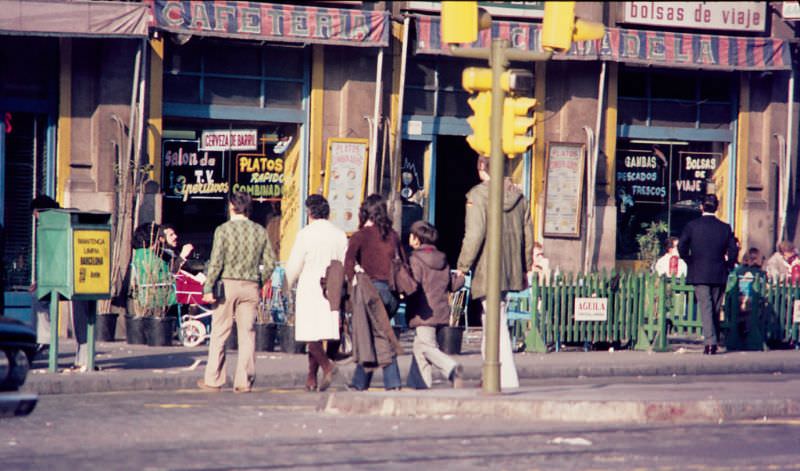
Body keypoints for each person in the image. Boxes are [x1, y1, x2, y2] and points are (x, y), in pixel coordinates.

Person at [456, 157, 533, 390]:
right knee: (495, 318)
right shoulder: (520, 197)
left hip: (488, 268)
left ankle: (504, 377)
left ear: (482, 168)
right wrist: (526, 266)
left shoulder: (478, 196)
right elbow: (528, 237)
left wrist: (462, 266)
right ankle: (490, 374)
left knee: (494, 323)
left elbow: (475, 234)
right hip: (511, 269)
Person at [199, 192, 276, 393]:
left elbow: (216, 262)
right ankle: (244, 381)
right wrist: (258, 281)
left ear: (231, 206)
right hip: (250, 286)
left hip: (227, 285)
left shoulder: (223, 230)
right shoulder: (259, 231)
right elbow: (269, 262)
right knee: (247, 334)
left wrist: (208, 287)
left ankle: (214, 379)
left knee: (220, 332)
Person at [285, 195, 347, 392]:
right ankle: (311, 378)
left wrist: (286, 284)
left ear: (309, 212)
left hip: (311, 285)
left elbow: (295, 263)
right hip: (332, 286)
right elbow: (345, 262)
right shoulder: (339, 234)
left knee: (310, 334)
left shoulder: (305, 234)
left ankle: (327, 367)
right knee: (321, 332)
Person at [344, 194, 405, 390]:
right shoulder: (392, 235)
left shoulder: (360, 236)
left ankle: (393, 381)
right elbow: (403, 260)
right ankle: (359, 382)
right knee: (372, 333)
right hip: (392, 293)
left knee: (380, 336)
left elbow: (348, 263)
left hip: (371, 291)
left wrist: (354, 280)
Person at [405, 220, 465, 389]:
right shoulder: (442, 259)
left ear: (417, 239)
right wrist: (461, 278)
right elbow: (452, 285)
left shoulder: (415, 259)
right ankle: (420, 386)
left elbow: (413, 285)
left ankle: (451, 368)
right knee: (419, 349)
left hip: (423, 312)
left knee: (426, 348)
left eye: (411, 235)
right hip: (440, 310)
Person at [678, 194, 738, 355]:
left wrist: (689, 260)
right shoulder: (725, 227)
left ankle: (710, 343)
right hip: (719, 272)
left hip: (699, 271)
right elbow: (733, 249)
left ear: (701, 207)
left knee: (706, 307)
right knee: (715, 308)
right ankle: (714, 340)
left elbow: (681, 246)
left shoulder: (692, 226)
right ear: (716, 207)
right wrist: (729, 264)